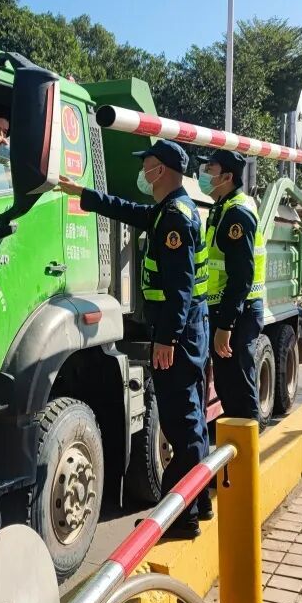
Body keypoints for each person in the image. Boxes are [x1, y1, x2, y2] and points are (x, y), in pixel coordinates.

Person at [58, 140, 211, 535]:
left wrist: (167, 339)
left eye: (147, 165)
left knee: (183, 424)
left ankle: (182, 516)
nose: (143, 172)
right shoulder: (167, 211)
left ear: (163, 170)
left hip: (179, 333)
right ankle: (201, 502)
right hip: (186, 329)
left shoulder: (175, 219)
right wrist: (83, 193)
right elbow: (129, 210)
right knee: (191, 419)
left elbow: (180, 288)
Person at [199, 149, 266, 423]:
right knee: (228, 386)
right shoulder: (222, 208)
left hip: (238, 312)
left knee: (238, 387)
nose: (204, 174)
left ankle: (249, 447)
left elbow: (241, 277)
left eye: (210, 169)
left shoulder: (236, 213)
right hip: (229, 309)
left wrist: (226, 325)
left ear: (226, 177)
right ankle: (241, 446)